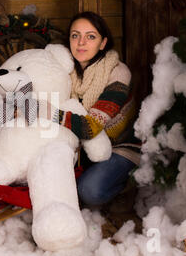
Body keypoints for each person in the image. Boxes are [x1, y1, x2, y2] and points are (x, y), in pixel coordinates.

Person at [56, 11, 141, 209]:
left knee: (90, 191)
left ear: (103, 43)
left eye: (90, 36)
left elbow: (90, 127)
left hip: (120, 145)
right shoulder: (65, 71)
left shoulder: (118, 72)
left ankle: (130, 182)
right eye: (75, 35)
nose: (81, 43)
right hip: (84, 149)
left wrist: (43, 112)